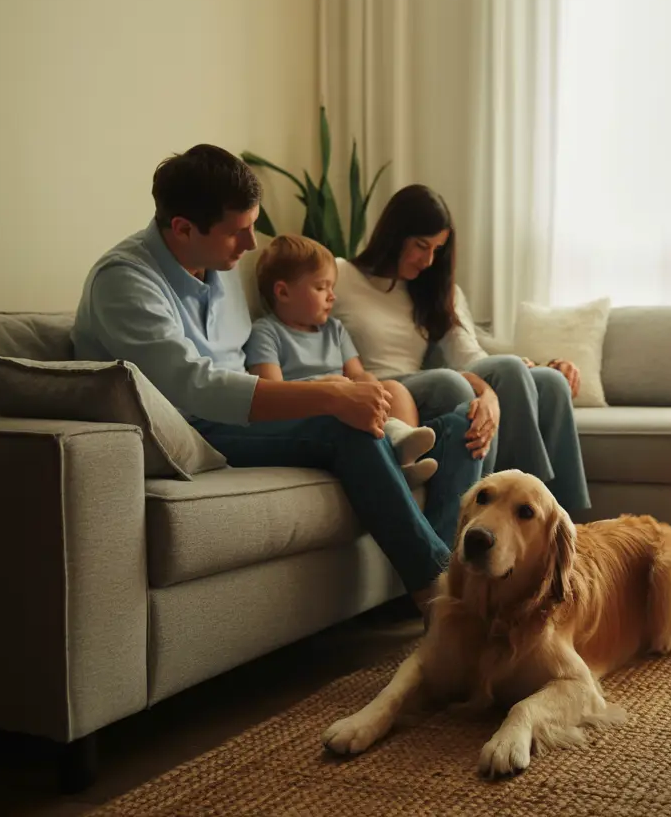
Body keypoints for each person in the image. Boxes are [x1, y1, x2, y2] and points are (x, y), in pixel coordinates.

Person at [71, 145, 482, 611]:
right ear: (183, 229)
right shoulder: (125, 282)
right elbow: (196, 387)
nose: (250, 245)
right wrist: (324, 397)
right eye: (238, 232)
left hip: (242, 416)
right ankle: (439, 595)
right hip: (189, 428)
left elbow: (244, 363)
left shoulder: (217, 265)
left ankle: (461, 577)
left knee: (462, 427)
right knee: (343, 423)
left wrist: (322, 390)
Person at [331, 184, 590, 512]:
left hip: (431, 381)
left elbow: (469, 355)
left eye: (436, 250)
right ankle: (530, 511)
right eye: (420, 246)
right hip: (388, 390)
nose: (428, 260)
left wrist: (536, 365)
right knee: (455, 381)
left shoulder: (433, 290)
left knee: (550, 384)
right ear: (394, 235)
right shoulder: (341, 274)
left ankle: (571, 525)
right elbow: (303, 325)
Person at [246, 233, 438, 487]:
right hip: (310, 410)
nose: (331, 296)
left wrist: (372, 387)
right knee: (347, 397)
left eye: (332, 288)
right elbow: (271, 390)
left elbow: (358, 373)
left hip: (345, 397)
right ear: (283, 292)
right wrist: (327, 387)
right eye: (320, 287)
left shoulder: (334, 330)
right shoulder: (267, 332)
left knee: (394, 389)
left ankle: (404, 462)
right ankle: (395, 452)